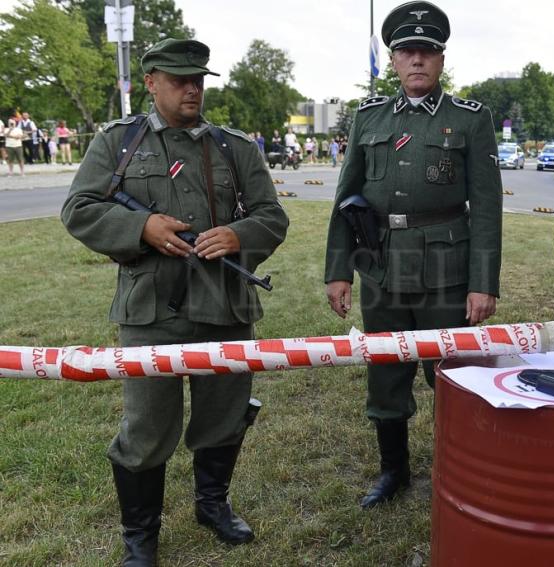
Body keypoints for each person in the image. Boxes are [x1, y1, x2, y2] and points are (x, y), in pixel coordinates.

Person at [61, 38, 289, 567]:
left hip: (224, 306)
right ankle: (140, 534)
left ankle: (212, 504)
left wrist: (237, 236)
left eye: (199, 80)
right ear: (150, 82)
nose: (192, 89)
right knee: (145, 427)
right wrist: (140, 226)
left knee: (225, 415)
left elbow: (271, 217)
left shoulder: (235, 147)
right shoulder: (118, 143)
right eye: (180, 79)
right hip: (150, 311)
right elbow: (79, 209)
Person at [325, 1, 502, 510]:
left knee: (452, 373)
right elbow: (346, 198)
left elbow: (487, 208)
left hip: (446, 269)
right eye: (406, 51)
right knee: (385, 367)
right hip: (380, 263)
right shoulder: (369, 118)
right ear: (393, 60)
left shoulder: (469, 120)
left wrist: (483, 281)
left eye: (427, 51)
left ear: (442, 59)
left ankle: (460, 467)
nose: (417, 60)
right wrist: (339, 270)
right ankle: (394, 471)